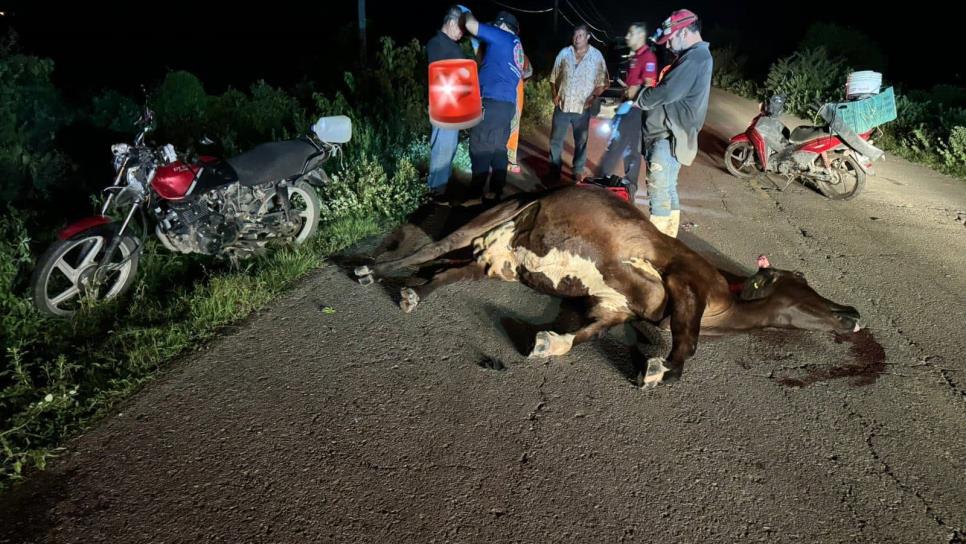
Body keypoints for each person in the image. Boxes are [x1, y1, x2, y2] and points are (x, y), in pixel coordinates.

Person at [635, 9, 712, 238]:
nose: (667, 46)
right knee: (668, 190)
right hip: (672, 138)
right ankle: (669, 242)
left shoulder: (695, 57)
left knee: (659, 196)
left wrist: (638, 97)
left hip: (666, 137)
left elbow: (667, 92)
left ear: (685, 31)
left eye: (670, 39)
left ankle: (658, 252)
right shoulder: (696, 57)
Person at [461, 9, 525, 204]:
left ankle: (474, 195)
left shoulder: (503, 36)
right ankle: (496, 191)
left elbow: (472, 25)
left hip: (491, 100)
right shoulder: (517, 47)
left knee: (480, 145)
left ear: (504, 26)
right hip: (507, 105)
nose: (495, 27)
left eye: (497, 24)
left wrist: (465, 12)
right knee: (498, 147)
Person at [597, 22, 658, 208]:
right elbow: (632, 84)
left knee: (624, 146)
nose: (627, 37)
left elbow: (649, 85)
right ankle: (617, 181)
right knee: (623, 146)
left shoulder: (648, 57)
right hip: (627, 107)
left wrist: (632, 101)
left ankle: (621, 185)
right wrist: (623, 100)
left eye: (630, 34)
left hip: (636, 109)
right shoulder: (635, 57)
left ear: (640, 36)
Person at [548, 24, 608, 182]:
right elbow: (553, 77)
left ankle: (577, 170)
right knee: (555, 139)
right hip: (562, 105)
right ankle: (554, 171)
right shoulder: (564, 53)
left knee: (581, 141)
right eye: (575, 35)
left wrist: (593, 97)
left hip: (582, 108)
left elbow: (602, 83)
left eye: (581, 35)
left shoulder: (596, 56)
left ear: (588, 37)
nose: (577, 38)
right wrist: (554, 94)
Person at [425, 6, 469, 200]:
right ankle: (436, 190)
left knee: (448, 145)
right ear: (451, 22)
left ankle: (442, 182)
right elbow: (440, 75)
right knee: (442, 145)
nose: (462, 33)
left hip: (453, 103)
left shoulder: (449, 44)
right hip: (444, 104)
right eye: (460, 28)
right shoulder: (437, 44)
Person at [506, 53, 532, 174]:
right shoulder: (519, 51)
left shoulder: (519, 52)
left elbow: (528, 71)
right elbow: (529, 71)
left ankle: (508, 159)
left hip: (511, 89)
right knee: (511, 125)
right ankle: (507, 160)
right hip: (511, 90)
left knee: (513, 125)